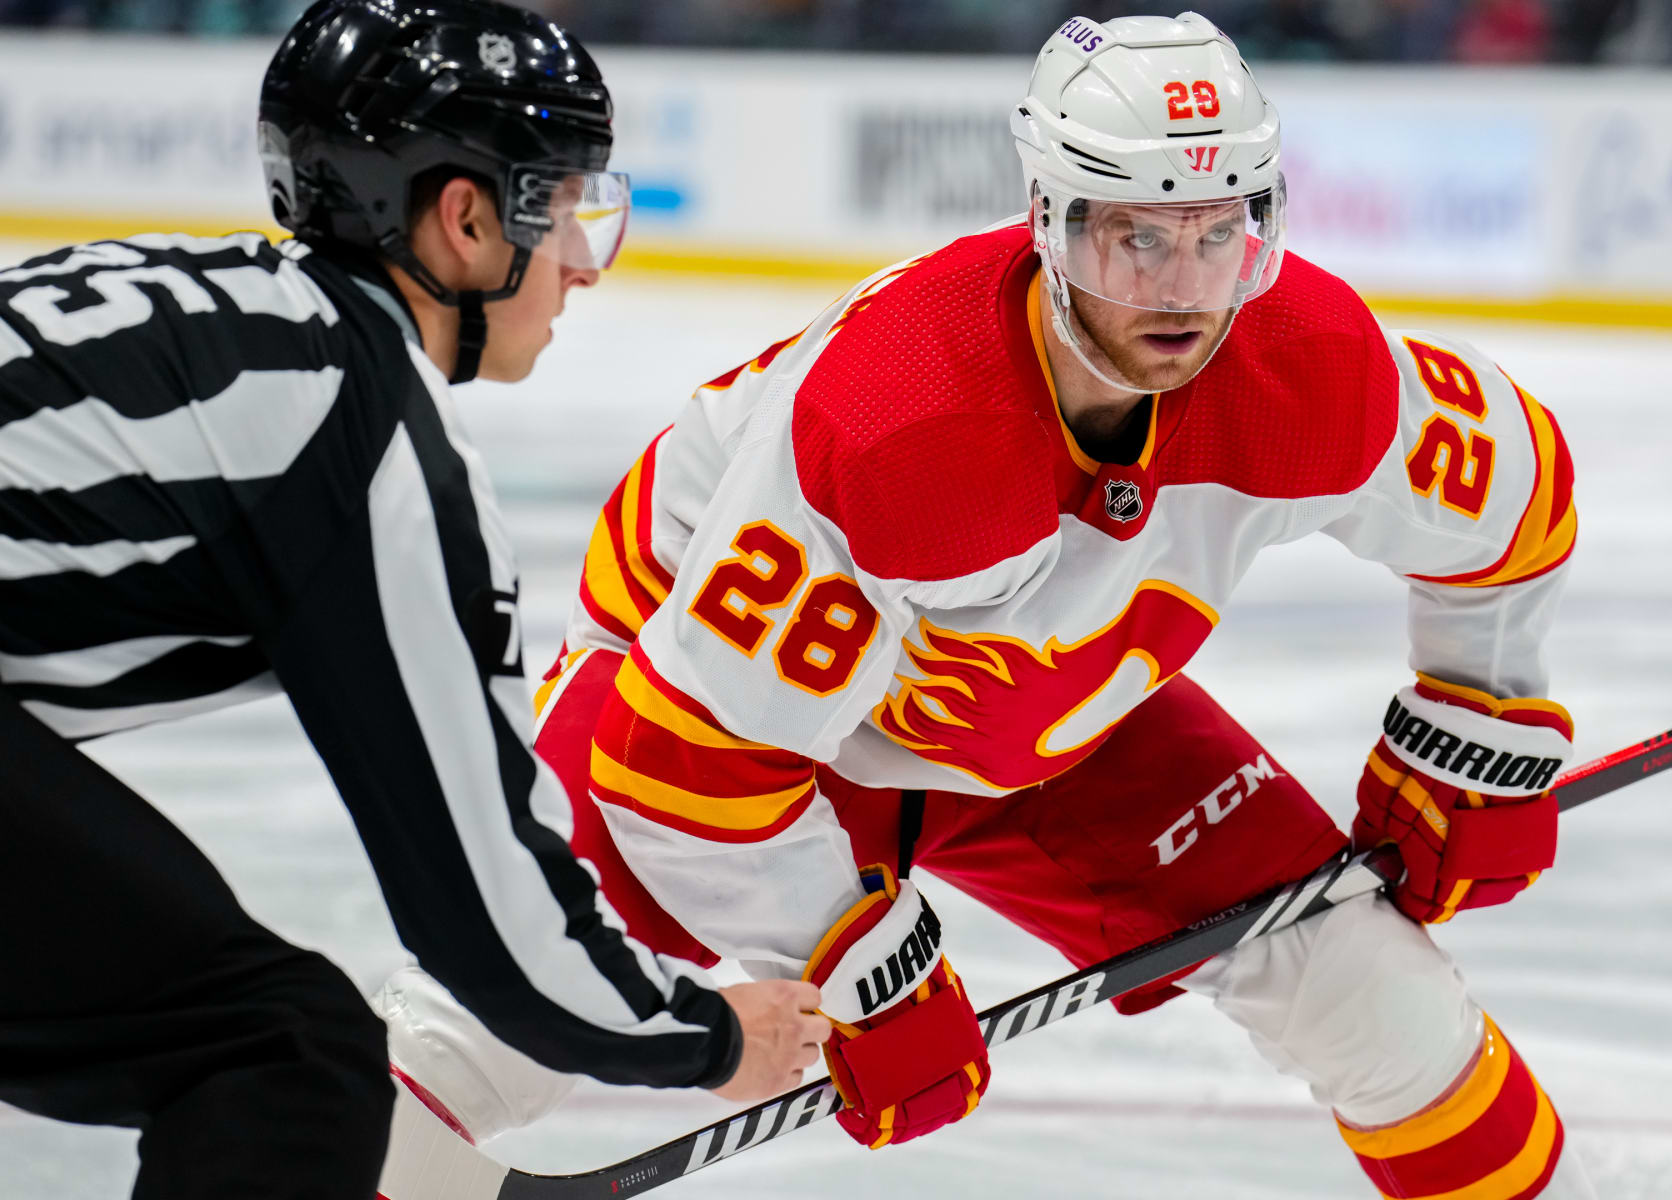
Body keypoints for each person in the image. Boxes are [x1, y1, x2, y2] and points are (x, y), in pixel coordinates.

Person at [379, 11, 1596, 1197]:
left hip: (1044, 713)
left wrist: (1477, 716)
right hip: (712, 716)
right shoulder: (901, 427)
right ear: (1051, 221)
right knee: (480, 1034)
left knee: (1378, 1002)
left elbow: (1518, 495)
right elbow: (684, 766)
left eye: (1219, 235)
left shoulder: (1310, 369)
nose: (1182, 292)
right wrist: (854, 962)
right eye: (1136, 239)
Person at [0, 2, 826, 1197]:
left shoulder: (209, 316)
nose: (584, 264)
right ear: (466, 220)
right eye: (566, 208)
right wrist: (705, 1038)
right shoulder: (353, 426)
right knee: (283, 1055)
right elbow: (485, 914)